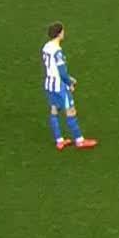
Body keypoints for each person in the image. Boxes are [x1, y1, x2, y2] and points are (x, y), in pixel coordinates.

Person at [42, 22, 97, 150]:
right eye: (63, 31)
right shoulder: (57, 51)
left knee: (54, 110)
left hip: (49, 84)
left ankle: (59, 141)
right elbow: (62, 72)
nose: (64, 33)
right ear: (59, 34)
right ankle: (80, 140)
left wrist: (69, 78)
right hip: (59, 86)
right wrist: (69, 83)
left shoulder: (46, 47)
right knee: (70, 111)